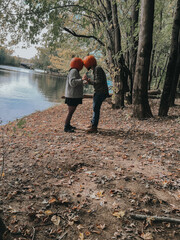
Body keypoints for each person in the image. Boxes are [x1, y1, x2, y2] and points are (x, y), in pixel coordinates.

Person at [83, 55, 109, 133]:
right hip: (99, 92)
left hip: (101, 92)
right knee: (95, 108)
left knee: (96, 108)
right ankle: (93, 123)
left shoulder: (98, 69)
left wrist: (89, 80)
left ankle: (94, 127)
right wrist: (89, 81)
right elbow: (97, 82)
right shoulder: (95, 70)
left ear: (89, 63)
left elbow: (99, 82)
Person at [64, 57, 86, 132]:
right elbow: (72, 82)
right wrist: (82, 80)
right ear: (78, 64)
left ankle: (68, 125)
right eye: (81, 64)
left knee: (71, 112)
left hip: (73, 95)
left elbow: (76, 82)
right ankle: (66, 127)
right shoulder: (74, 71)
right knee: (70, 112)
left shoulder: (74, 71)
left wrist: (83, 82)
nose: (82, 66)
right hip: (72, 96)